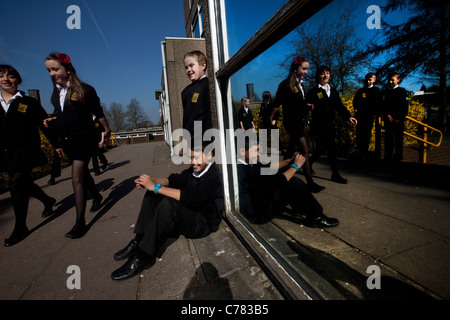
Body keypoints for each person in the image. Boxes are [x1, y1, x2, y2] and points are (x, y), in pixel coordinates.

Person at [111, 143, 224, 280]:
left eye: (195, 157)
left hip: (202, 223)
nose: (191, 161)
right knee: (152, 195)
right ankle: (139, 241)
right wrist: (150, 182)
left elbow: (190, 197)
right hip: (190, 213)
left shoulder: (213, 177)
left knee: (168, 204)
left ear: (209, 155)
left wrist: (155, 187)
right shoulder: (193, 171)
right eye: (190, 157)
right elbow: (172, 180)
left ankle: (145, 255)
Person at [44, 52, 111, 239]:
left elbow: (98, 112)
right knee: (82, 174)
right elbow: (64, 115)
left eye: (55, 69)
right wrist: (53, 119)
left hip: (84, 138)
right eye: (49, 70)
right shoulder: (56, 93)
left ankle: (80, 223)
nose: (51, 73)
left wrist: (106, 130)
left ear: (67, 69)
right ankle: (97, 197)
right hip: (68, 140)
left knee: (76, 176)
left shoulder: (84, 90)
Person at [0, 65, 56, 246]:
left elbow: (44, 123)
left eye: (11, 76)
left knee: (16, 183)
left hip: (25, 151)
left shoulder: (28, 102)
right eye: (2, 76)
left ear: (18, 80)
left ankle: (20, 227)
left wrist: (57, 145)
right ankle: (48, 200)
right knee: (22, 183)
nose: (6, 79)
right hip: (4, 152)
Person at [237, 139, 339, 228]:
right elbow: (279, 181)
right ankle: (316, 216)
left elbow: (269, 167)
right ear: (242, 151)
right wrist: (295, 166)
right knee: (293, 182)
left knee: (284, 175)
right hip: (257, 214)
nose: (258, 154)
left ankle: (299, 207)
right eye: (256, 150)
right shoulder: (244, 169)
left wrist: (290, 161)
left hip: (254, 205)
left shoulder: (242, 163)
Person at [270, 57, 324, 193]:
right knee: (304, 151)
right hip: (292, 123)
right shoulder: (286, 84)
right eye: (304, 68)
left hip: (298, 122)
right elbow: (278, 104)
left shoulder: (300, 84)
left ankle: (278, 176)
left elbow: (297, 104)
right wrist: (270, 118)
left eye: (307, 69)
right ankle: (310, 182)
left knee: (290, 151)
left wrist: (306, 106)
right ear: (296, 69)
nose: (306, 72)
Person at [306, 66, 357, 184]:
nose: (325, 76)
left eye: (327, 73)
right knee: (331, 147)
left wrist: (348, 116)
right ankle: (335, 174)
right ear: (318, 76)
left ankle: (309, 162)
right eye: (322, 74)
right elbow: (306, 106)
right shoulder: (313, 92)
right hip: (319, 124)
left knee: (322, 148)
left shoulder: (332, 90)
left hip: (329, 124)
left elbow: (339, 106)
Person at [182, 50, 212, 142]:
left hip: (203, 142)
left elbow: (209, 117)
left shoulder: (209, 85)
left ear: (203, 65)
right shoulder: (185, 92)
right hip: (189, 141)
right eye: (186, 67)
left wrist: (208, 143)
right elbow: (187, 118)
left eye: (191, 65)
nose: (188, 70)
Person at [353, 73, 383, 158]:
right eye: (367, 80)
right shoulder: (361, 91)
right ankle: (359, 148)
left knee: (367, 132)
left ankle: (364, 149)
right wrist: (355, 108)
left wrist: (375, 111)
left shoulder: (376, 90)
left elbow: (379, 102)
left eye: (370, 80)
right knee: (359, 132)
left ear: (374, 80)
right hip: (360, 115)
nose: (368, 81)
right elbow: (355, 100)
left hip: (369, 115)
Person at [382, 73, 408, 162]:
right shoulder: (386, 92)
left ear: (398, 80)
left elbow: (404, 106)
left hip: (398, 120)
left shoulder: (402, 91)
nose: (390, 82)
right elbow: (383, 105)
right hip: (388, 119)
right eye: (389, 80)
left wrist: (399, 118)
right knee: (388, 139)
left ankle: (398, 156)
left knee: (398, 139)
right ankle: (388, 156)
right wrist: (387, 114)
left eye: (393, 80)